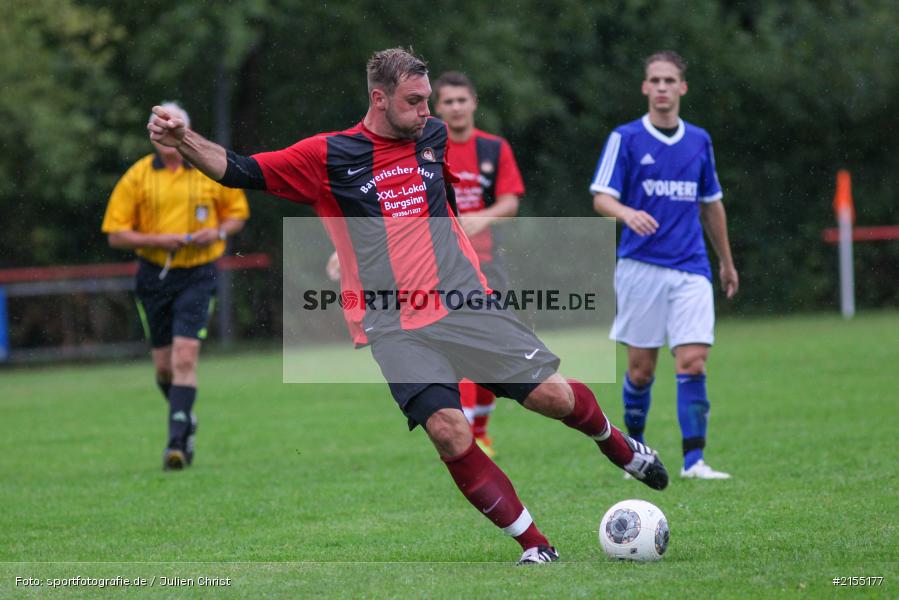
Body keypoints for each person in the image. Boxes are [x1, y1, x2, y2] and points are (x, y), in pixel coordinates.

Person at [148, 48, 668, 565]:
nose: (427, 112)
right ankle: (535, 545)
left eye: (428, 100)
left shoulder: (432, 137)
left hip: (464, 302)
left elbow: (436, 206)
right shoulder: (327, 155)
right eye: (414, 101)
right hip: (393, 325)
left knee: (552, 398)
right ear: (379, 98)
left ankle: (617, 445)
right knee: (448, 431)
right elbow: (237, 170)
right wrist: (183, 139)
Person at [590, 51, 738, 480]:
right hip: (640, 267)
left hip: (692, 266)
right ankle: (634, 456)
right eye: (654, 80)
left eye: (669, 80)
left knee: (693, 361)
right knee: (641, 370)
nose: (661, 87)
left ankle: (695, 461)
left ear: (682, 87)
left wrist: (726, 262)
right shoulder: (626, 137)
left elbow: (711, 204)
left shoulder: (699, 140)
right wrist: (626, 213)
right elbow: (601, 196)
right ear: (644, 87)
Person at [102, 102, 249, 471]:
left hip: (199, 273)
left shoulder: (207, 168)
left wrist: (217, 232)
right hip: (155, 276)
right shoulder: (138, 176)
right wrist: (157, 240)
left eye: (171, 125)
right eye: (159, 126)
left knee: (185, 357)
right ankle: (186, 418)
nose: (165, 133)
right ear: (152, 134)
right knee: (165, 369)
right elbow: (116, 234)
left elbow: (236, 215)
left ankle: (177, 443)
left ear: (185, 129)